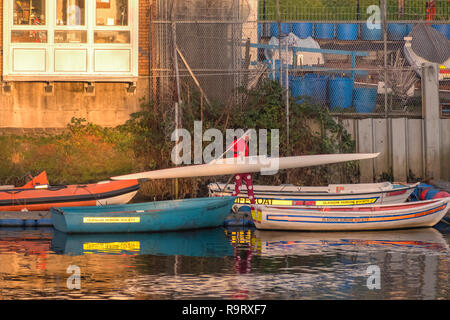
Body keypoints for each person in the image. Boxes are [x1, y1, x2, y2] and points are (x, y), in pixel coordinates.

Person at [231, 132, 255, 205]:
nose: (248, 138)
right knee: (238, 188)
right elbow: (230, 149)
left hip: (245, 169)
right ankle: (229, 202)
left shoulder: (245, 144)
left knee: (250, 187)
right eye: (247, 135)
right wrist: (237, 152)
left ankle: (253, 205)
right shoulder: (238, 142)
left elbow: (246, 157)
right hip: (238, 169)